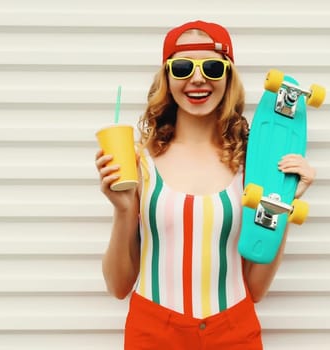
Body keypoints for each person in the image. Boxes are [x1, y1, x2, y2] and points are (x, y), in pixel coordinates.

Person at [94, 20, 316, 350]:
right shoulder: (140, 162)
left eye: (212, 67)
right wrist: (124, 209)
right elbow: (118, 285)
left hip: (234, 332)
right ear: (167, 79)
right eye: (183, 67)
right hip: (152, 333)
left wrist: (282, 203)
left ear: (228, 77)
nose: (198, 78)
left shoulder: (251, 166)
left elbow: (255, 289)